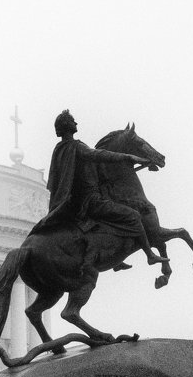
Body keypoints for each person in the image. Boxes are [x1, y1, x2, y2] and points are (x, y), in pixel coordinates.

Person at [31, 110, 168, 268]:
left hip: (72, 202)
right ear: (68, 126)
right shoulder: (76, 147)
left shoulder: (60, 149)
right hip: (91, 201)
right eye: (73, 121)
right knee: (133, 216)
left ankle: (116, 259)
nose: (76, 123)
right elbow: (100, 155)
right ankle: (150, 255)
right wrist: (128, 157)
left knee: (113, 215)